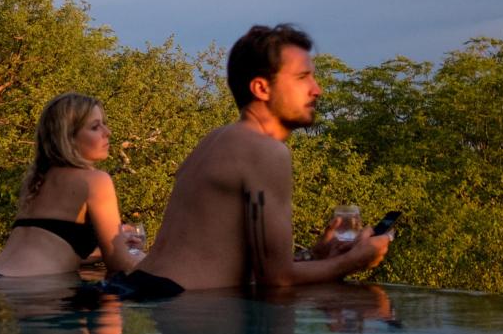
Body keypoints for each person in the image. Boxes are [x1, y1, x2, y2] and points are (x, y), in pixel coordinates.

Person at [119, 24, 390, 295]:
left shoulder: (218, 140)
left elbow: (252, 267)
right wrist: (354, 261)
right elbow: (277, 280)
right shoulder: (265, 151)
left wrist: (316, 255)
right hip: (174, 300)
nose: (316, 89)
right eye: (302, 77)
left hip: (140, 289)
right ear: (262, 88)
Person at [0, 92, 142, 278]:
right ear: (68, 138)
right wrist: (153, 257)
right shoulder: (96, 180)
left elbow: (51, 249)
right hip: (28, 287)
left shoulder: (36, 180)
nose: (108, 132)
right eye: (95, 127)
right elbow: (119, 263)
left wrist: (108, 245)